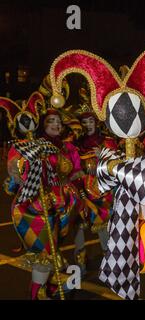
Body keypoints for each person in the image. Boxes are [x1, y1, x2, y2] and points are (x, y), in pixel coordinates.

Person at [8, 109, 85, 299]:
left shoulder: (60, 147)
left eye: (59, 121)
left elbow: (69, 173)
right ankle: (37, 294)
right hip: (34, 207)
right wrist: (25, 168)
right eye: (51, 121)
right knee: (44, 255)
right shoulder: (26, 146)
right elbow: (16, 175)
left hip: (60, 206)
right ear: (41, 124)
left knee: (52, 252)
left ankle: (46, 288)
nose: (57, 124)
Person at [74, 107, 117, 273]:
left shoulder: (107, 141)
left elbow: (117, 166)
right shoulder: (76, 143)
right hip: (79, 189)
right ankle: (79, 264)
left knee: (103, 227)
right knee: (78, 226)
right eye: (84, 122)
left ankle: (109, 264)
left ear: (96, 122)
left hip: (102, 190)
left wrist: (103, 155)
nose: (87, 125)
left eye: (90, 121)